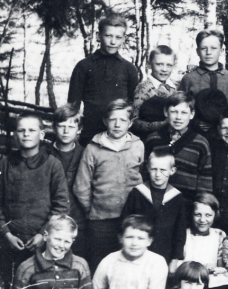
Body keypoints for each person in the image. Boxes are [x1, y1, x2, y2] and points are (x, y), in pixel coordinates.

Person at [0, 113, 70, 289]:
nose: (26, 134)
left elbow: (61, 205)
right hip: (10, 240)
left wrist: (43, 235)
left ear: (42, 134)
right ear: (15, 135)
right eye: (21, 130)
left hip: (40, 241)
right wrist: (6, 233)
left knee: (39, 287)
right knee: (11, 287)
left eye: (31, 130)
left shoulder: (52, 164)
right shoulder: (5, 164)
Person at [74, 100, 145, 270]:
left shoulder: (138, 145)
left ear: (130, 123)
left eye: (123, 120)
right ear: (105, 121)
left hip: (131, 217)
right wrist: (93, 210)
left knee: (128, 265)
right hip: (101, 220)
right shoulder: (93, 148)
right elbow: (81, 186)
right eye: (113, 119)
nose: (117, 124)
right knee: (100, 264)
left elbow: (142, 174)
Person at [68, 14, 139, 143]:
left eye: (118, 37)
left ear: (123, 38)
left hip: (119, 135)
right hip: (90, 133)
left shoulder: (129, 69)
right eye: (108, 36)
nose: (113, 42)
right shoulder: (83, 66)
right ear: (98, 35)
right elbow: (73, 105)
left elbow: (134, 105)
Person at [121, 147, 187, 269]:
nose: (157, 174)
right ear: (147, 168)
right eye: (154, 169)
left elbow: (180, 231)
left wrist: (174, 259)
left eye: (163, 170)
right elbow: (124, 223)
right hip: (136, 252)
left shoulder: (176, 197)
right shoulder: (137, 193)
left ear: (172, 170)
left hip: (164, 255)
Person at [144, 91, 214, 201]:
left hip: (187, 204)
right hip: (156, 202)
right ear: (166, 112)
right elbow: (145, 173)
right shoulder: (153, 139)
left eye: (184, 113)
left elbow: (205, 180)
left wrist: (200, 204)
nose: (178, 117)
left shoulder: (201, 143)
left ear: (192, 114)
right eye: (174, 112)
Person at [49, 105, 89, 250]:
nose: (66, 131)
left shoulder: (86, 154)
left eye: (71, 127)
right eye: (61, 126)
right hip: (50, 219)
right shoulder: (44, 154)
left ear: (79, 129)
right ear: (54, 128)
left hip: (78, 219)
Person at [179, 29, 228, 106]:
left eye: (213, 48)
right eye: (203, 48)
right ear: (197, 51)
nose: (208, 52)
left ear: (221, 50)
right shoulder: (189, 79)